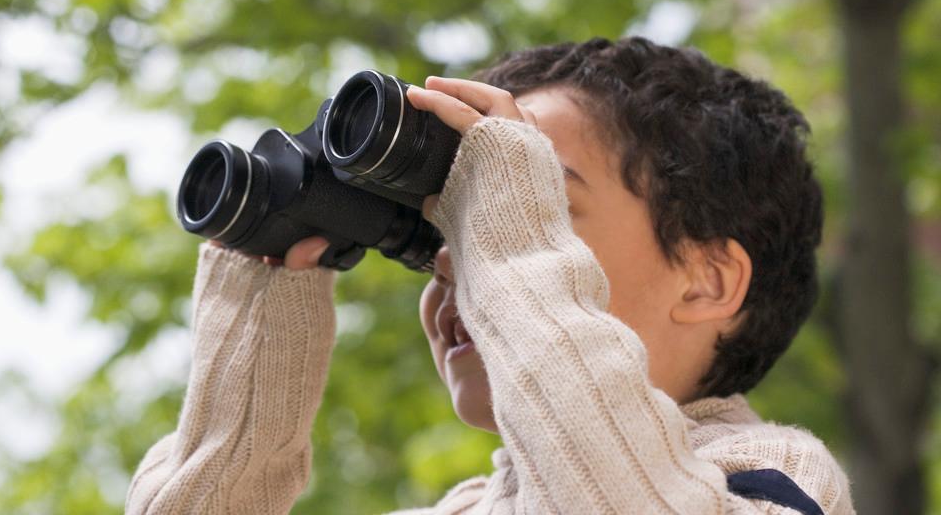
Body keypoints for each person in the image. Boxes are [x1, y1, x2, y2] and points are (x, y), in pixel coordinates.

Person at [127, 37, 854, 514]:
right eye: (445, 228)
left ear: (706, 280)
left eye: (539, 210)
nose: (457, 258)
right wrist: (248, 386)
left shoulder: (772, 476)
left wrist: (505, 234)